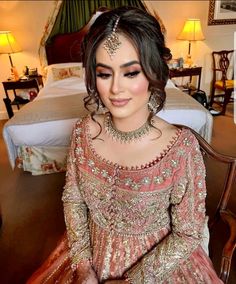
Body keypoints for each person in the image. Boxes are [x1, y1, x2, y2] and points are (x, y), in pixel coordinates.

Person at [27, 6, 223, 284]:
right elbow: (74, 199)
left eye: (131, 73)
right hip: (89, 255)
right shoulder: (84, 132)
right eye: (104, 74)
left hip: (159, 268)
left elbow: (189, 233)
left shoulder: (180, 148)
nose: (116, 88)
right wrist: (83, 266)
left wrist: (134, 280)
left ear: (154, 71)